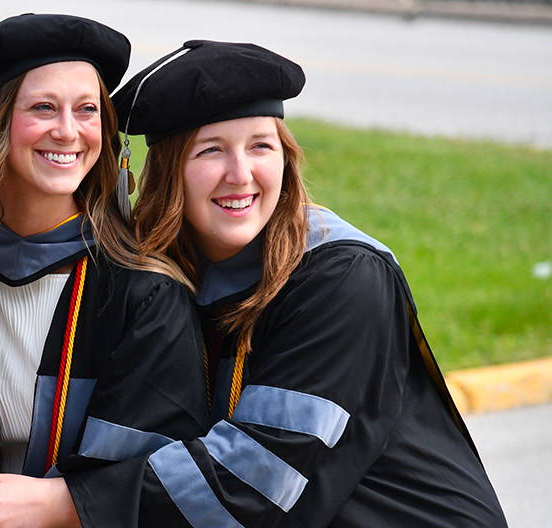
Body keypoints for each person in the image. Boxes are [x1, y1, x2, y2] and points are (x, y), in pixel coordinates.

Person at [58, 39, 507, 527]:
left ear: (286, 159)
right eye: (211, 150)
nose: (241, 174)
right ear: (169, 174)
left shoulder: (342, 278)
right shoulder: (158, 280)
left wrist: (64, 506)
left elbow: (258, 477)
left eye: (260, 146)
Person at [0, 13, 210, 527]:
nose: (68, 132)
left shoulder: (143, 292)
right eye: (43, 108)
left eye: (87, 110)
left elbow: (152, 475)